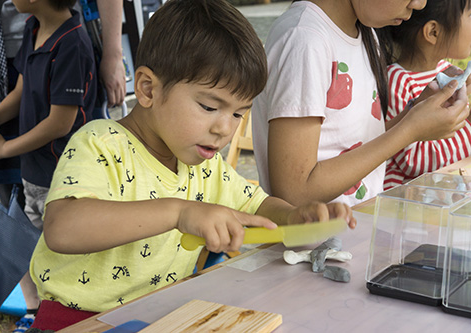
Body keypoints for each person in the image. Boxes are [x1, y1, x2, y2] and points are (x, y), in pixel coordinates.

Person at [24, 0, 356, 330]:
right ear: (148, 89)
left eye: (238, 113)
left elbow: (256, 205)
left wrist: (295, 218)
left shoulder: (204, 165)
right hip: (78, 322)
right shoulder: (101, 143)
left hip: (163, 314)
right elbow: (62, 228)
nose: (225, 128)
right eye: (210, 107)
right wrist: (179, 213)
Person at [251, 0, 471, 208]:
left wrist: (417, 110)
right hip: (311, 246)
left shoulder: (366, 36)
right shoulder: (305, 40)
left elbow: (358, 145)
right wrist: (409, 130)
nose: (419, 4)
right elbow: (295, 193)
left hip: (356, 236)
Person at [0, 0, 98, 330]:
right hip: (34, 174)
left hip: (64, 178)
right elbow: (21, 89)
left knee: (70, 254)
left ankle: (77, 318)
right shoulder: (34, 28)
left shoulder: (72, 43)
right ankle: (43, 313)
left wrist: (3, 148)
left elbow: (60, 122)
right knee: (37, 250)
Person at [381, 0, 471, 189]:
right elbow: (413, 161)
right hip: (404, 204)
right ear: (433, 32)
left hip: (438, 193)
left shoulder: (449, 72)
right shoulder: (398, 80)